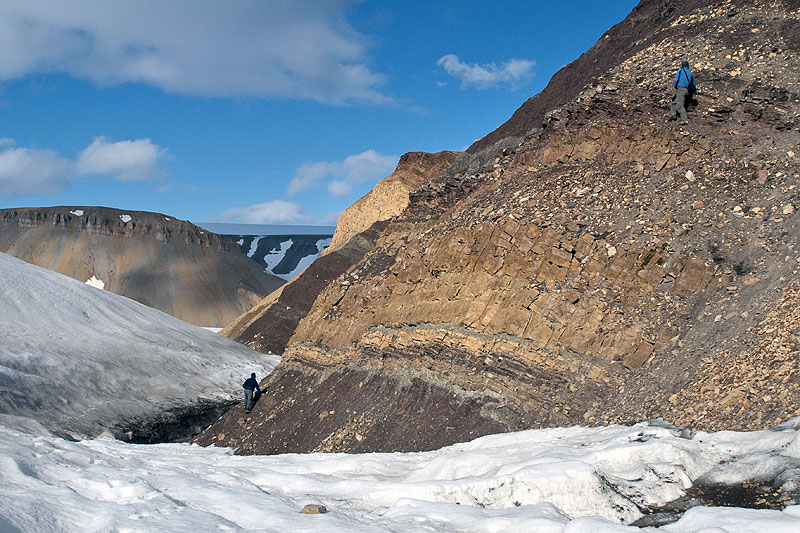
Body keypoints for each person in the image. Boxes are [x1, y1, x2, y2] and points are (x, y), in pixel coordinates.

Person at [669, 60, 696, 124]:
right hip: (686, 90)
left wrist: (675, 86)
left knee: (680, 105)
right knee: (674, 102)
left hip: (680, 89)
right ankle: (673, 115)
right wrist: (694, 91)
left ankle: (684, 120)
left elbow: (676, 80)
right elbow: (693, 84)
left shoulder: (680, 71)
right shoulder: (690, 73)